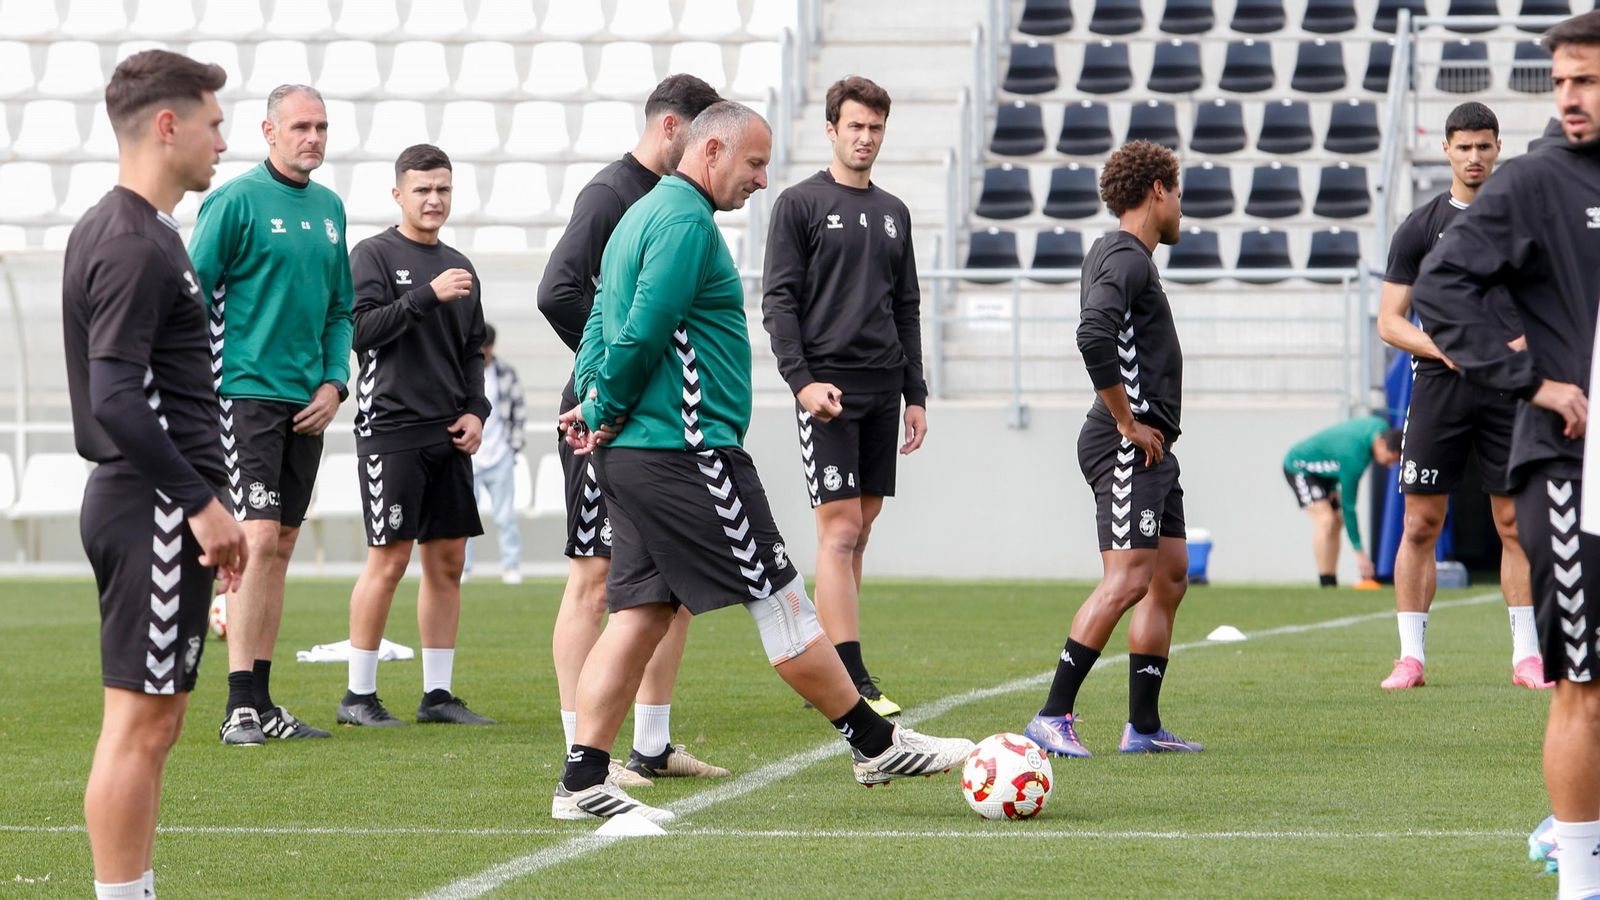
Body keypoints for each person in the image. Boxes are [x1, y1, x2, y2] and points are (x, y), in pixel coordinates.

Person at [550, 102, 973, 822]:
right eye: (752, 163)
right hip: (688, 451)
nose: (761, 179)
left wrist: (594, 401)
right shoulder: (683, 220)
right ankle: (873, 742)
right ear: (711, 150)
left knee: (640, 613)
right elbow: (646, 322)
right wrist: (606, 403)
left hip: (639, 454)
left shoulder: (640, 213)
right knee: (781, 600)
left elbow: (597, 318)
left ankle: (582, 783)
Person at [1411, 13, 1600, 899]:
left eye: (1588, 79)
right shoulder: (1530, 183)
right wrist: (1531, 379)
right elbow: (1442, 292)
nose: (1570, 96)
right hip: (1570, 471)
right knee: (1584, 688)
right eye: (1561, 79)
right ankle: (1578, 876)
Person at [65, 49, 247, 899]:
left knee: (152, 721)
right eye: (214, 124)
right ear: (167, 125)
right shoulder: (134, 241)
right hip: (152, 507)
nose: (224, 139)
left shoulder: (141, 232)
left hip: (151, 505)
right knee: (140, 726)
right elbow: (119, 400)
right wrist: (202, 504)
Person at [536, 74, 728, 785]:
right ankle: (583, 752)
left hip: (656, 424)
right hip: (603, 422)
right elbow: (558, 290)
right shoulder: (612, 194)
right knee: (594, 580)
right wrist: (606, 382)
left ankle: (651, 745)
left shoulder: (680, 203)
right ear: (674, 128)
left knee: (669, 585)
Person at [1021, 140, 1200, 760]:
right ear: (1157, 190)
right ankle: (1051, 715)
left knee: (1169, 576)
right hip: (1128, 440)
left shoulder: (1122, 255)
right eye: (1177, 193)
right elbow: (1093, 334)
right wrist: (1126, 422)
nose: (1181, 206)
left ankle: (1143, 728)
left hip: (1153, 446)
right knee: (1127, 579)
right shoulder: (1125, 258)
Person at [190, 83, 353, 745]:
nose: (312, 137)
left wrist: (335, 383)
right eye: (301, 127)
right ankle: (238, 709)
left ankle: (261, 698)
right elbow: (190, 297)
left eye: (321, 126)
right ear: (269, 131)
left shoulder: (331, 209)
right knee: (256, 541)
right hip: (245, 392)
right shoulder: (233, 202)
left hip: (306, 403)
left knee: (281, 547)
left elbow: (341, 309)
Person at [760, 76, 925, 717]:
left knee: (861, 530)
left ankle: (831, 662)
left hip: (886, 388)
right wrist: (801, 382)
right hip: (826, 389)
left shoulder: (894, 212)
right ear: (831, 129)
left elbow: (906, 305)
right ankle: (852, 676)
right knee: (841, 527)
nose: (865, 138)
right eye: (854, 126)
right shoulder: (799, 204)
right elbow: (779, 301)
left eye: (876, 128)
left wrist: (916, 392)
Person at [1375, 101, 1548, 691]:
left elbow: (1553, 300)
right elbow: (1389, 321)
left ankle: (1528, 656)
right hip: (1439, 388)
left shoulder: (1526, 220)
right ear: (1446, 149)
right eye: (1464, 146)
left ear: (1498, 147)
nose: (1475, 156)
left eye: (1484, 145)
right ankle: (1411, 658)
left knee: (1514, 523)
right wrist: (1442, 348)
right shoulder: (1419, 227)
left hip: (1509, 388)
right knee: (1421, 522)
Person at [333, 144, 496, 728]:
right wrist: (427, 295)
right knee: (388, 559)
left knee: (448, 562)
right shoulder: (373, 254)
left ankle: (437, 696)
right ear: (398, 194)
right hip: (390, 429)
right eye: (423, 189)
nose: (434, 199)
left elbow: (472, 353)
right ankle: (358, 696)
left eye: (443, 189)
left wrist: (476, 411)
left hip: (447, 434)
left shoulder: (461, 265)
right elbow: (361, 331)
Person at [1282, 417, 1403, 587]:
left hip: (1326, 476)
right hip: (1300, 467)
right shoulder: (1355, 458)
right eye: (1391, 459)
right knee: (1326, 520)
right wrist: (1360, 552)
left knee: (1336, 521)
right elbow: (1349, 507)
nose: (1390, 465)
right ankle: (1325, 581)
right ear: (1381, 444)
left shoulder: (1380, 426)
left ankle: (1331, 581)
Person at [465, 323, 525, 585]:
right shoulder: (465, 373)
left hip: (499, 455)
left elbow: (518, 414)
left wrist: (512, 449)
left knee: (505, 517)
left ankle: (511, 566)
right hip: (470, 457)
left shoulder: (506, 374)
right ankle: (463, 567)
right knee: (464, 519)